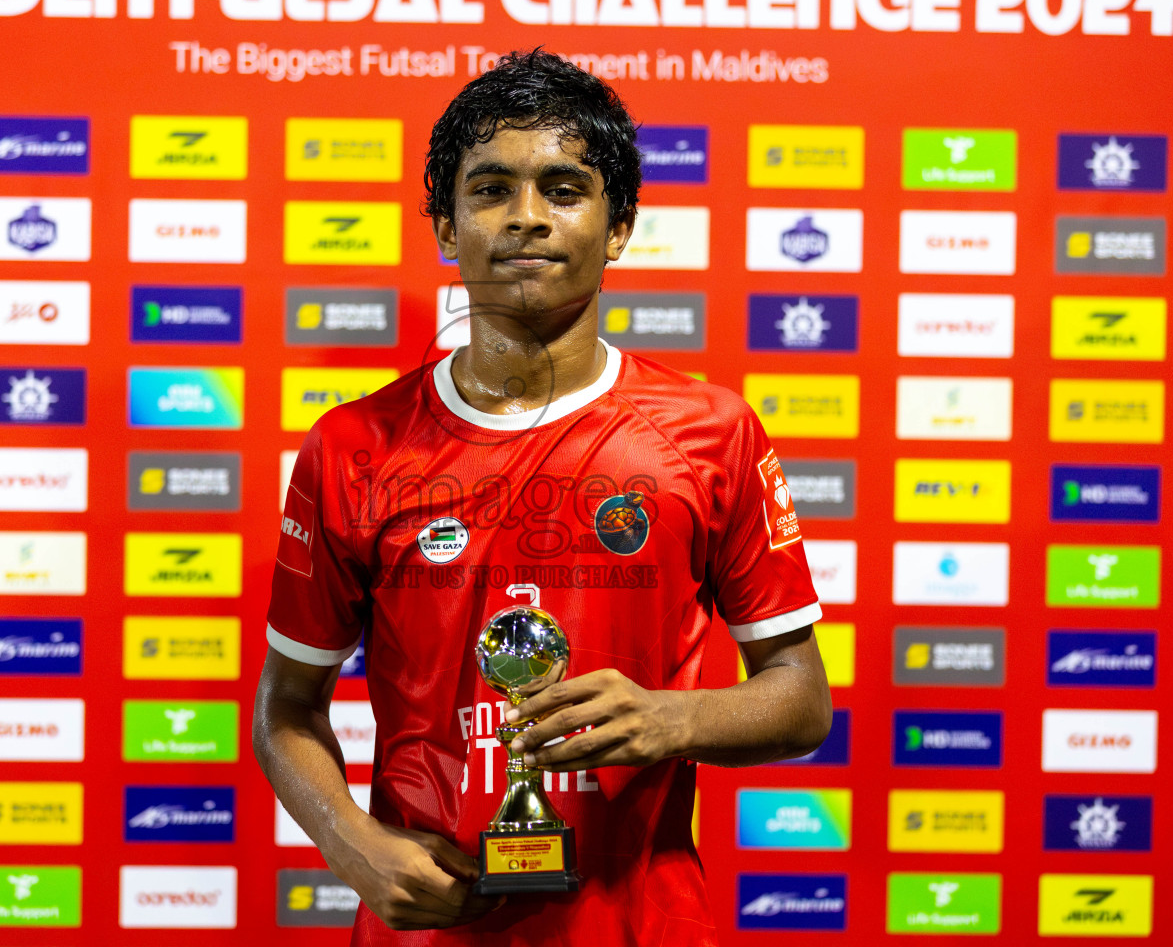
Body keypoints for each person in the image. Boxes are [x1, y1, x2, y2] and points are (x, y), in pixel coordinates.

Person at [254, 48, 831, 946]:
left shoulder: (710, 433)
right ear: (445, 226)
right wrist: (352, 843)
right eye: (490, 190)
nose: (526, 218)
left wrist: (672, 718)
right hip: (431, 928)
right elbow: (287, 708)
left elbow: (800, 699)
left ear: (619, 226)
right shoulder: (353, 448)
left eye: (564, 189)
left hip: (640, 922)